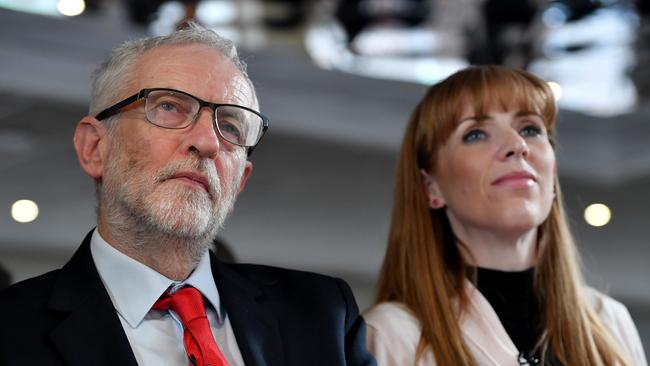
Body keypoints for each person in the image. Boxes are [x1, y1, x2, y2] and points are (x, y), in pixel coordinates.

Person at [0, 24, 375, 366]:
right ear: (94, 147)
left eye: (229, 124)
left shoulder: (322, 315)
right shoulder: (11, 331)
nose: (207, 142)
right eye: (168, 107)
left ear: (240, 179)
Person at [363, 65, 647, 366]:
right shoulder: (393, 336)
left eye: (530, 129)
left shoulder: (610, 321)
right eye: (475, 134)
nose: (517, 145)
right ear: (430, 187)